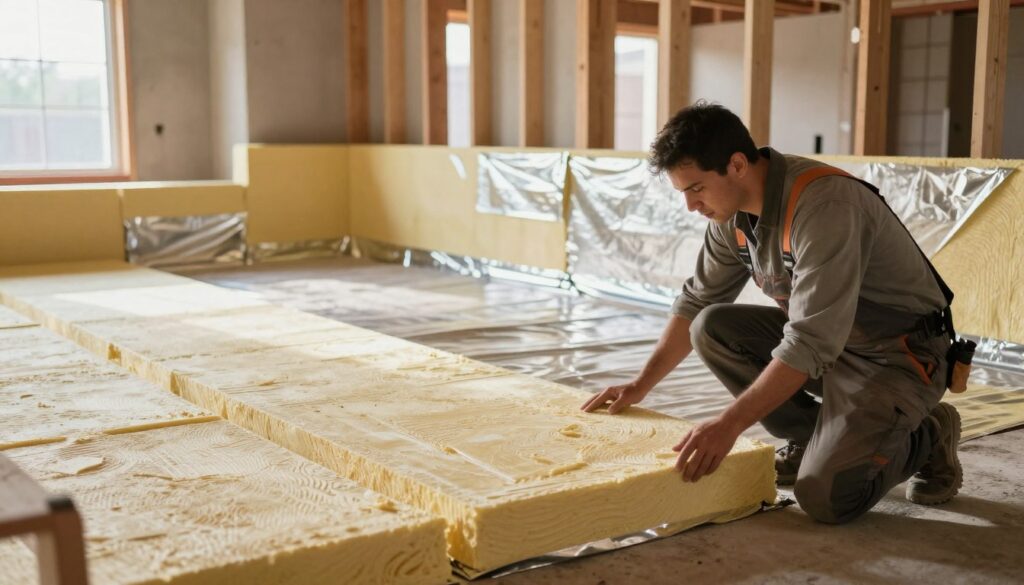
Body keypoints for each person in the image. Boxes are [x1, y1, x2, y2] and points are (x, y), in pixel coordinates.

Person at [580, 102, 963, 524]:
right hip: (833, 346)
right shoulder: (731, 217)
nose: (691, 205)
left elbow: (809, 343)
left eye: (696, 188)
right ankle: (809, 435)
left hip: (897, 357)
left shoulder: (824, 206)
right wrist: (639, 384)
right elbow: (696, 302)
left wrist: (728, 425)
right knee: (712, 327)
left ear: (737, 164)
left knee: (826, 497)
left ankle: (929, 434)